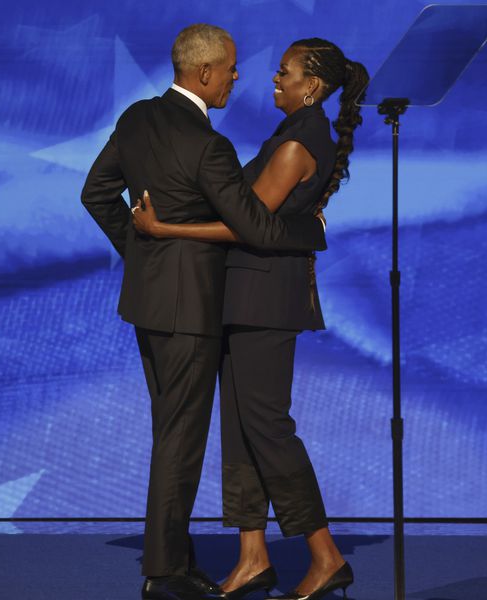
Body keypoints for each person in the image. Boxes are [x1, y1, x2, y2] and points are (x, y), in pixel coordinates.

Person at [80, 24, 328, 600]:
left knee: (171, 431)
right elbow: (258, 227)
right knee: (181, 439)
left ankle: (175, 560)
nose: (238, 77)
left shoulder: (136, 118)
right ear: (206, 74)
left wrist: (146, 256)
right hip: (193, 309)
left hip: (148, 301)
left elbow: (95, 193)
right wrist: (309, 231)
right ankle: (164, 572)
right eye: (232, 68)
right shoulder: (209, 146)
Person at [132, 38, 369, 600]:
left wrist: (166, 231)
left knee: (266, 426)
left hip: (265, 300)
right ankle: (252, 558)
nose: (274, 81)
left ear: (311, 85)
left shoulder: (298, 143)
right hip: (242, 296)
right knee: (239, 430)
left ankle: (325, 554)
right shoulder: (291, 136)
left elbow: (246, 224)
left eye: (283, 73)